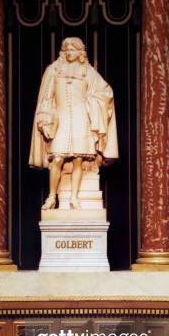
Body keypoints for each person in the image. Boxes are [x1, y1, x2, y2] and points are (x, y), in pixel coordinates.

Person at [29, 37, 118, 210]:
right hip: (60, 120)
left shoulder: (87, 71)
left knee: (78, 159)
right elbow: (46, 97)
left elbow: (105, 91)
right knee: (57, 158)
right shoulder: (54, 70)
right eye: (66, 49)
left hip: (81, 118)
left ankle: (74, 198)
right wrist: (44, 116)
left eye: (73, 49)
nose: (70, 52)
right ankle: (52, 197)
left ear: (80, 52)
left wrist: (91, 102)